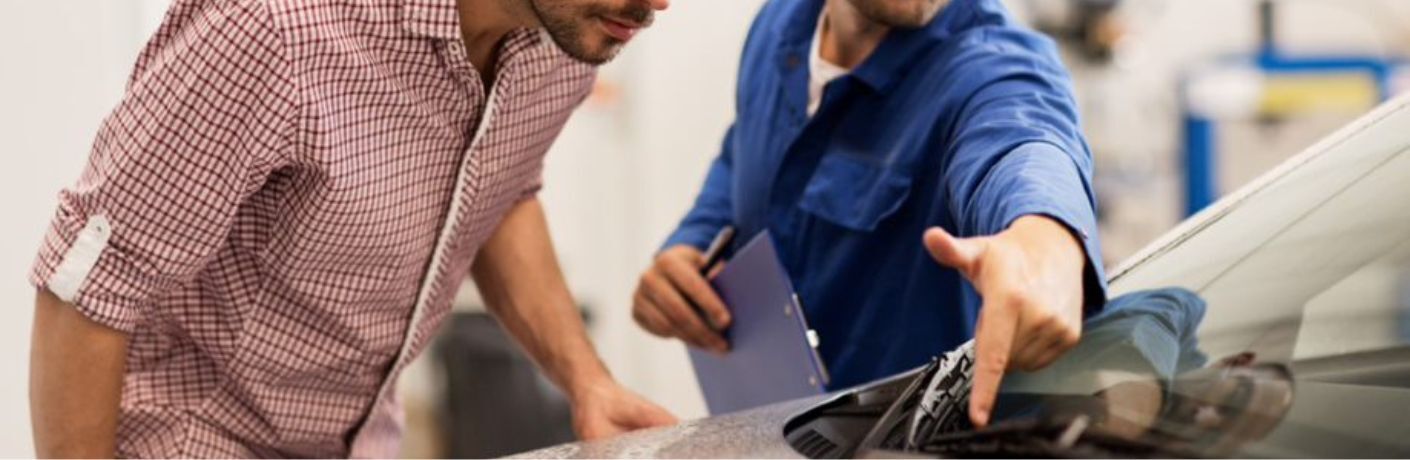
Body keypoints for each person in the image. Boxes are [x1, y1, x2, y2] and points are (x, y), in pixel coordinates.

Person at [28, 0, 676, 457]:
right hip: (191, 442)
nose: (658, 5)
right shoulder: (274, 28)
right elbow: (90, 280)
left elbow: (502, 195)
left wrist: (587, 383)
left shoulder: (564, 41)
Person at [632, 0, 1107, 428]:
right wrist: (692, 241)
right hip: (764, 432)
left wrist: (1045, 240)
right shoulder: (779, 23)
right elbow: (746, 145)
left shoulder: (990, 68)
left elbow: (1024, 144)